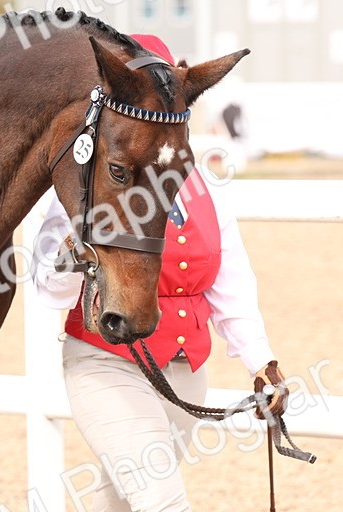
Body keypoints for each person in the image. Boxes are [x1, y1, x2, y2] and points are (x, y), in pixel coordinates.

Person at [30, 33, 287, 512]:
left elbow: (231, 281)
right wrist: (73, 253)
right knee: (162, 501)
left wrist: (261, 362)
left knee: (117, 503)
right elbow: (49, 289)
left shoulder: (204, 187)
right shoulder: (91, 187)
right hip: (107, 365)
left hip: (186, 373)